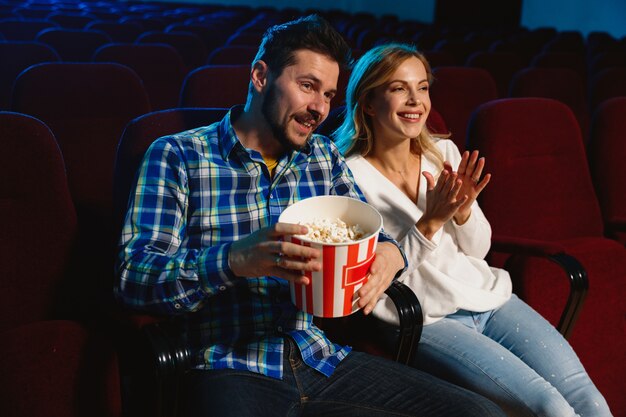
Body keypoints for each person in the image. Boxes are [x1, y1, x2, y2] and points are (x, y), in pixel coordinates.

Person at [115, 16, 506, 417]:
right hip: (227, 364)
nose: (319, 108)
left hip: (319, 357)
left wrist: (391, 255)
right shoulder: (177, 155)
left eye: (330, 95)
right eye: (307, 86)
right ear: (261, 76)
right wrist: (235, 260)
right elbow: (134, 277)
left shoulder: (322, 156)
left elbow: (374, 234)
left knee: (482, 413)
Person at [333, 42, 613, 417]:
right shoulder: (348, 176)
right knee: (551, 408)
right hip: (425, 316)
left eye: (423, 87)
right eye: (399, 88)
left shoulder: (442, 153)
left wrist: (463, 211)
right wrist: (429, 222)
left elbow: (478, 251)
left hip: (487, 297)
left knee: (590, 401)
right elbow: (374, 275)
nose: (416, 100)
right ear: (367, 101)